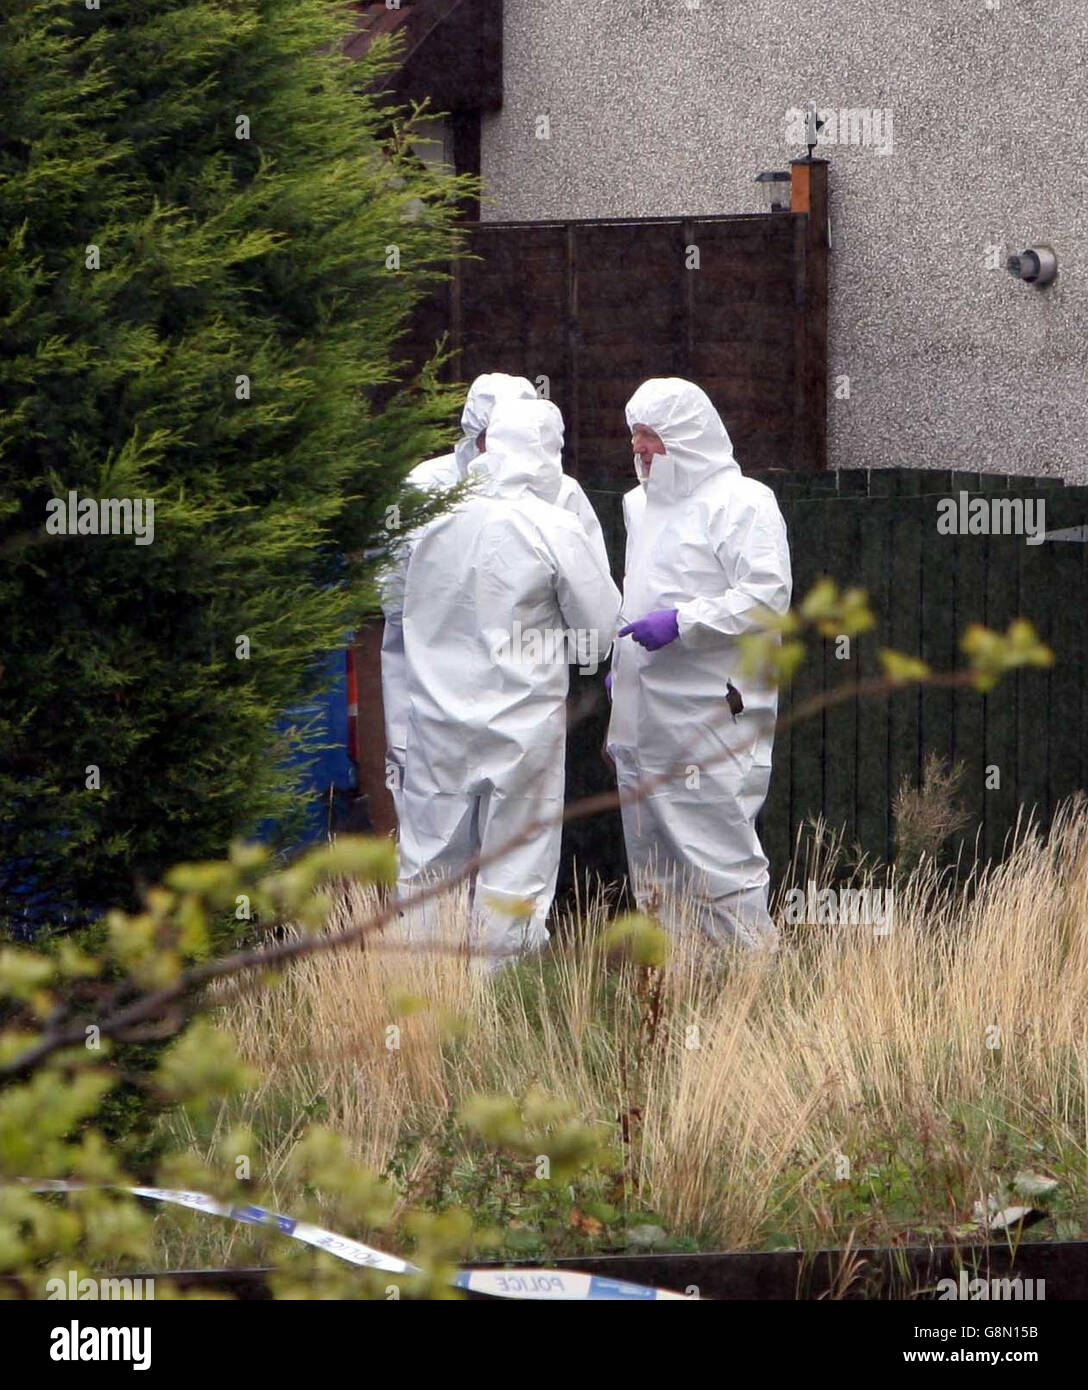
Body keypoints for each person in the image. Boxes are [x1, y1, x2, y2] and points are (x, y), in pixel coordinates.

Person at [394, 395, 621, 967]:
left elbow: (391, 603)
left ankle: (423, 1000)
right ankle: (498, 1009)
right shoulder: (552, 524)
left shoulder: (429, 520)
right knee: (514, 869)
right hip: (522, 726)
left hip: (434, 721)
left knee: (429, 865)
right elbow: (601, 629)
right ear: (547, 454)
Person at [606, 377, 792, 950]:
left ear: (685, 439)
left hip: (709, 710)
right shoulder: (639, 506)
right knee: (654, 868)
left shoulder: (743, 503)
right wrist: (623, 663)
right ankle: (674, 994)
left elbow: (765, 596)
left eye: (651, 437)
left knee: (718, 859)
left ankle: (751, 989)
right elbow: (637, 587)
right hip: (640, 714)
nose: (639, 448)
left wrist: (683, 623)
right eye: (634, 435)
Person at [380, 373, 608, 821]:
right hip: (440, 700)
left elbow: (588, 619)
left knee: (444, 850)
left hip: (461, 705)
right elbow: (392, 597)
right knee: (457, 849)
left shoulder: (563, 495)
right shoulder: (425, 488)